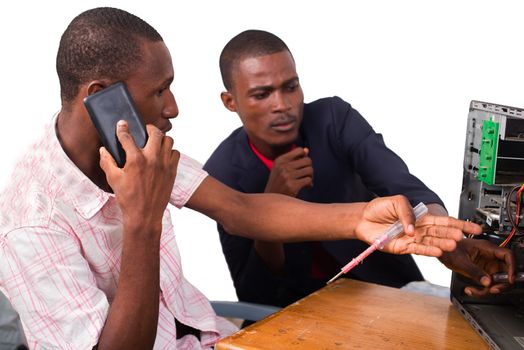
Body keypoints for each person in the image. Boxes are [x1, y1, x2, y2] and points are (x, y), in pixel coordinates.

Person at [0, 8, 486, 349]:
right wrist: (142, 220)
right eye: (161, 91)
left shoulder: (137, 147)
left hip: (218, 336)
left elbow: (241, 208)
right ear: (102, 96)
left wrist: (361, 219)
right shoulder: (30, 221)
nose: (173, 109)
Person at [204, 29, 515, 308]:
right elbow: (253, 294)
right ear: (230, 102)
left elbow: (400, 183)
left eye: (291, 87)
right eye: (262, 94)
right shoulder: (221, 174)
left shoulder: (333, 119)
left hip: (385, 291)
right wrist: (271, 205)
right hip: (294, 315)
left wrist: (446, 239)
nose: (282, 104)